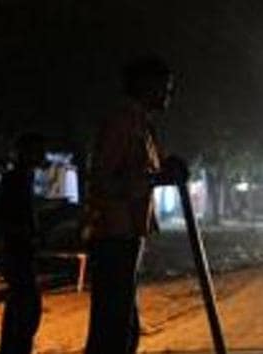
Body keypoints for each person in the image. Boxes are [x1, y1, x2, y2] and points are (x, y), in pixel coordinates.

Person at [83, 55, 188, 354]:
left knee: (125, 327)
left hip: (129, 233)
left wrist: (165, 174)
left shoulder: (143, 125)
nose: (169, 95)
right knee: (112, 330)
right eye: (164, 88)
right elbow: (104, 180)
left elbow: (143, 174)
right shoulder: (122, 123)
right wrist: (155, 180)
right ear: (145, 86)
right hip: (113, 234)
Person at [0, 132, 46, 354]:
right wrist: (26, 234)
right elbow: (5, 218)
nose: (42, 155)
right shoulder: (16, 180)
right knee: (25, 310)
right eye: (38, 150)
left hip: (20, 251)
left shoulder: (21, 179)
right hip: (18, 252)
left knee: (22, 308)